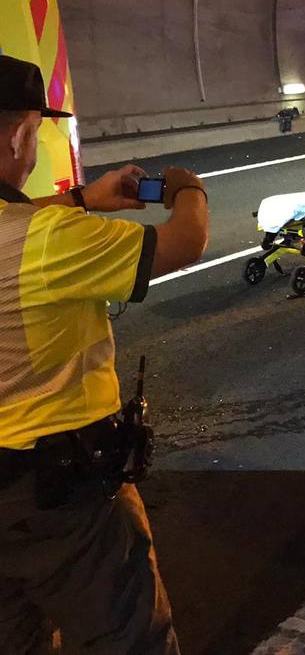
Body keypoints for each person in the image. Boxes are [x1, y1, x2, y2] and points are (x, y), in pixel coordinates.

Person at [0, 55, 210, 654]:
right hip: (60, 502)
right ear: (18, 136)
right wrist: (188, 188)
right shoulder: (46, 242)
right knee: (129, 638)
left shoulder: (31, 229)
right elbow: (185, 241)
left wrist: (83, 199)